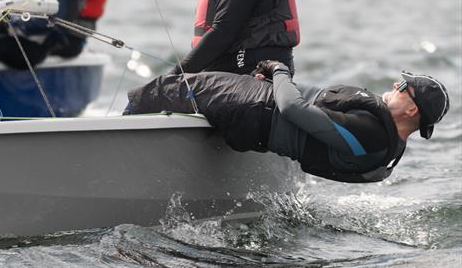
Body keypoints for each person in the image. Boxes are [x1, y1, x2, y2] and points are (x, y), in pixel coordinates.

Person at [125, 61, 450, 183]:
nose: (396, 85)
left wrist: (280, 71)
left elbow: (293, 108)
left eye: (404, 88)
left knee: (160, 90)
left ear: (412, 111)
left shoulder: (372, 135)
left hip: (255, 109)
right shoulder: (389, 146)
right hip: (257, 118)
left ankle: (114, 141)